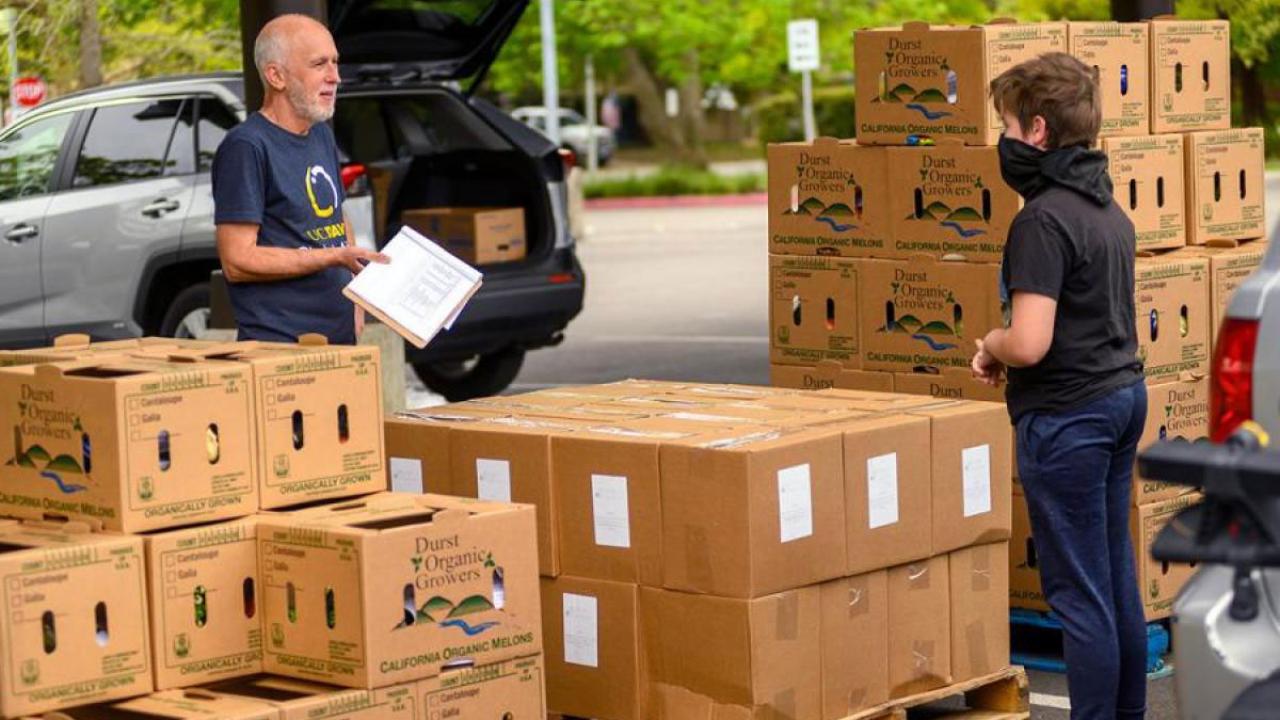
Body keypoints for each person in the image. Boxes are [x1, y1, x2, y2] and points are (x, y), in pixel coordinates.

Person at [971, 52, 1146, 720]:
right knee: (1113, 580)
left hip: (1068, 418)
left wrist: (991, 344)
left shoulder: (1041, 221)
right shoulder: (1106, 210)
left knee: (1078, 596)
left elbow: (1031, 341)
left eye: (1007, 124)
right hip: (1120, 399)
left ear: (1036, 131)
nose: (1003, 140)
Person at [212, 13, 387, 344]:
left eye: (336, 62)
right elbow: (237, 260)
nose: (335, 76)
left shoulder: (320, 134)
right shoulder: (246, 147)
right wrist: (334, 257)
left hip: (340, 337)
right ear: (276, 76)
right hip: (281, 348)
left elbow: (337, 214)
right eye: (319, 64)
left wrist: (356, 289)